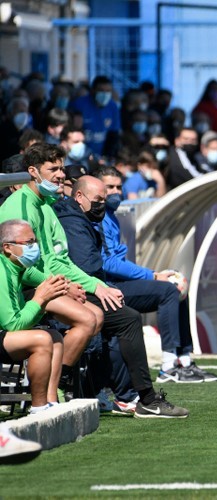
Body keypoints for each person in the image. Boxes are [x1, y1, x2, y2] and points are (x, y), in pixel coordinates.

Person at [53, 174, 191, 417]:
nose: (107, 200)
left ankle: (129, 391)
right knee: (129, 316)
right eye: (100, 197)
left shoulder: (93, 217)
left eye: (115, 190)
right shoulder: (72, 220)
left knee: (132, 314)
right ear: (78, 195)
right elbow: (97, 264)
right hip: (82, 288)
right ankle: (149, 384)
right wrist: (149, 275)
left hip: (92, 286)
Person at [0, 143, 102, 400]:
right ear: (33, 171)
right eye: (53, 169)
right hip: (24, 285)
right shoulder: (21, 206)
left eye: (61, 168)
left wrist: (83, 283)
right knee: (88, 319)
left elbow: (56, 259)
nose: (60, 175)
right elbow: (22, 264)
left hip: (41, 281)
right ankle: (53, 388)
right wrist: (63, 286)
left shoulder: (44, 203)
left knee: (96, 316)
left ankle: (55, 384)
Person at [96, 167, 217, 383]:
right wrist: (152, 275)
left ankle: (184, 359)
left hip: (117, 283)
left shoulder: (111, 216)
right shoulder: (98, 218)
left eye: (118, 187)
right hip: (107, 288)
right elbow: (109, 263)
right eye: (109, 187)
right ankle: (168, 367)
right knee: (169, 291)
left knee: (179, 288)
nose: (116, 192)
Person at [0, 219, 67, 413]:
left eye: (34, 241)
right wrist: (39, 299)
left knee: (55, 337)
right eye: (28, 243)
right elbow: (13, 324)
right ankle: (39, 407)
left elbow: (23, 318)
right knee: (42, 340)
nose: (34, 247)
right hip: (5, 331)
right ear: (7, 247)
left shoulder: (17, 268)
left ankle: (51, 401)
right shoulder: (3, 272)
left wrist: (44, 301)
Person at [67, 75, 121, 159]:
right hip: (80, 154)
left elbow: (113, 134)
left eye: (108, 91)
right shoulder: (79, 104)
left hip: (101, 156)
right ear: (93, 90)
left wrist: (107, 156)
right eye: (101, 90)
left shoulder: (112, 106)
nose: (105, 94)